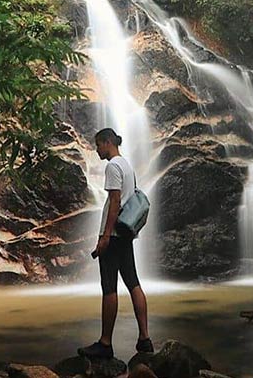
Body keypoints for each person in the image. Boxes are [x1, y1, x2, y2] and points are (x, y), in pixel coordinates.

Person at [78, 128, 152, 358]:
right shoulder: (127, 165)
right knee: (133, 283)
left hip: (115, 235)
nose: (97, 149)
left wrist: (105, 236)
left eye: (98, 145)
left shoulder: (112, 166)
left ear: (108, 142)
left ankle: (105, 343)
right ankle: (145, 338)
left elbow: (115, 201)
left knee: (109, 287)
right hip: (126, 233)